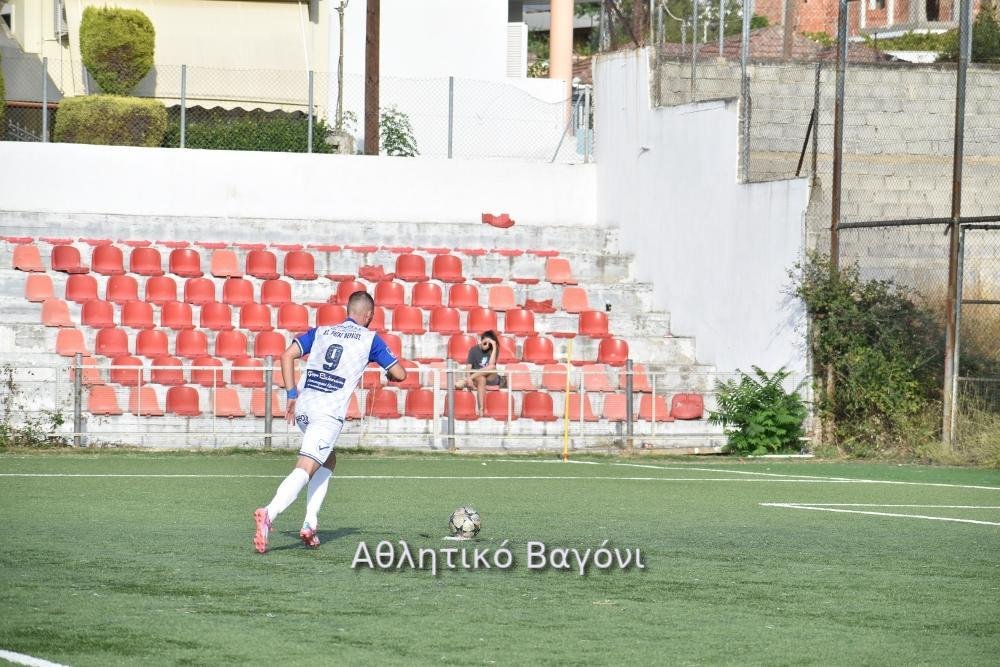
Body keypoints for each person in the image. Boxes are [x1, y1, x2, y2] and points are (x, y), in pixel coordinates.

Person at [253, 291, 406, 553]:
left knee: (329, 459)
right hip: (327, 412)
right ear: (369, 315)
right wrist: (389, 375)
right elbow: (400, 373)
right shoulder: (370, 339)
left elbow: (286, 355)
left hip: (304, 406)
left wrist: (291, 393)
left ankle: (310, 524)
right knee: (307, 465)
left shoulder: (322, 331)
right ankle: (269, 513)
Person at [455, 330, 502, 415]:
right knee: (481, 379)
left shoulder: (493, 350)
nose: (487, 345)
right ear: (482, 340)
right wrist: (470, 377)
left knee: (492, 367)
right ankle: (481, 410)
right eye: (485, 342)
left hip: (491, 377)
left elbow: (491, 365)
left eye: (489, 343)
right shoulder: (474, 350)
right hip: (478, 377)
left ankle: (464, 380)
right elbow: (469, 366)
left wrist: (494, 346)